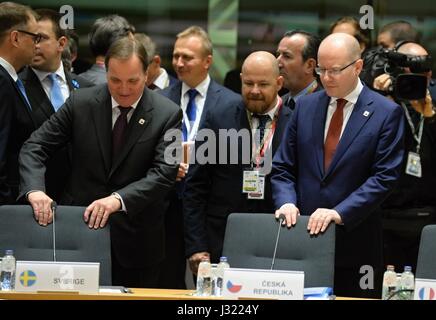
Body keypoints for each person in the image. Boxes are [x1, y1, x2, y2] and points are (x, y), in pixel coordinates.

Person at [18, 36, 182, 288]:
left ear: (147, 73)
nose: (124, 89)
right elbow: (35, 146)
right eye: (115, 80)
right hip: (78, 234)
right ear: (106, 71)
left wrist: (118, 199)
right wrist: (35, 189)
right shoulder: (80, 102)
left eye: (133, 81)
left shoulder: (168, 113)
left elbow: (164, 173)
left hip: (136, 241)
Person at [271, 33, 405, 298]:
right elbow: (283, 167)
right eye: (321, 70)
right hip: (302, 239)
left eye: (335, 70)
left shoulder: (386, 113)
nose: (326, 77)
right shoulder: (305, 107)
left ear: (357, 67)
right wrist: (285, 201)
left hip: (355, 241)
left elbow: (385, 178)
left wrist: (339, 212)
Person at [184, 51, 291, 273]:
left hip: (277, 242)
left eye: (263, 84)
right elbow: (195, 186)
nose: (254, 91)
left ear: (279, 83)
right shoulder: (218, 117)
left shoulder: (296, 122)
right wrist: (197, 245)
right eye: (248, 83)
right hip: (220, 242)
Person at [158, 26, 242, 289]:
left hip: (209, 212)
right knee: (167, 285)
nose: (179, 63)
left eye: (187, 57)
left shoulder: (232, 103)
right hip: (166, 207)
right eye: (175, 56)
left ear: (207, 61)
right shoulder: (159, 100)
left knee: (209, 288)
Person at [373, 42, 436, 272]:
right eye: (413, 67)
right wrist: (380, 100)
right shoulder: (381, 100)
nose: (423, 73)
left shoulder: (433, 106)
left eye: (426, 66)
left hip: (429, 220)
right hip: (386, 217)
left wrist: (429, 116)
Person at [19, 9, 93, 201]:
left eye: (41, 38)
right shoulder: (15, 87)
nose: (34, 45)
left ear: (61, 43)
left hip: (82, 201)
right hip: (35, 197)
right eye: (31, 38)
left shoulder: (86, 88)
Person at [0, 2, 39, 204]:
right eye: (35, 37)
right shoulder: (2, 82)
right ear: (15, 38)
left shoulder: (9, 79)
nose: (37, 44)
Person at [80, 15, 135, 85]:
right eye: (131, 45)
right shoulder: (121, 87)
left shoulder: (76, 81)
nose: (135, 51)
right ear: (120, 47)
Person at [276, 30, 321, 111]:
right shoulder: (279, 103)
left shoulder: (325, 105)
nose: (278, 64)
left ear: (309, 65)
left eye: (287, 56)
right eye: (278, 55)